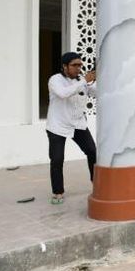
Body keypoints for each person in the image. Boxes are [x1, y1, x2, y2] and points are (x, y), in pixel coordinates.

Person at [46, 52, 97, 205]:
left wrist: (94, 81)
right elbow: (63, 94)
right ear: (65, 66)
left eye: (80, 65)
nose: (78, 68)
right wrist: (83, 83)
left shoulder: (81, 80)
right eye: (74, 65)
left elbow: (96, 93)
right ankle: (58, 192)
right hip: (57, 125)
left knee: (93, 152)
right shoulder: (55, 80)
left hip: (78, 124)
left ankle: (97, 184)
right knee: (57, 159)